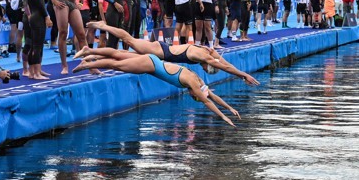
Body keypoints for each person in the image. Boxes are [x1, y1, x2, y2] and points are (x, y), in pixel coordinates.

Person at [73, 52, 239, 126]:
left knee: (119, 56)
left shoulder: (199, 80)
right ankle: (88, 64)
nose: (192, 94)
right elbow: (208, 101)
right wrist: (223, 117)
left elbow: (212, 96)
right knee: (117, 65)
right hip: (150, 65)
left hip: (153, 61)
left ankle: (91, 56)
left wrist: (230, 108)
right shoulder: (194, 85)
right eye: (194, 96)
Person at [81, 20, 260, 87]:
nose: (204, 70)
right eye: (207, 70)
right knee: (129, 41)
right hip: (161, 52)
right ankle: (103, 26)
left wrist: (242, 75)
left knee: (120, 54)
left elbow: (224, 62)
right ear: (208, 66)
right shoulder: (203, 56)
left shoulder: (208, 51)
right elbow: (225, 66)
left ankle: (91, 54)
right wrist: (242, 74)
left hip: (160, 56)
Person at [22, 0, 52, 80]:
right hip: (37, 17)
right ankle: (36, 73)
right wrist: (47, 16)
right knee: (37, 46)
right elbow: (40, 4)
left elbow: (25, 2)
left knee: (33, 45)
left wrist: (28, 15)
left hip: (30, 16)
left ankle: (32, 71)